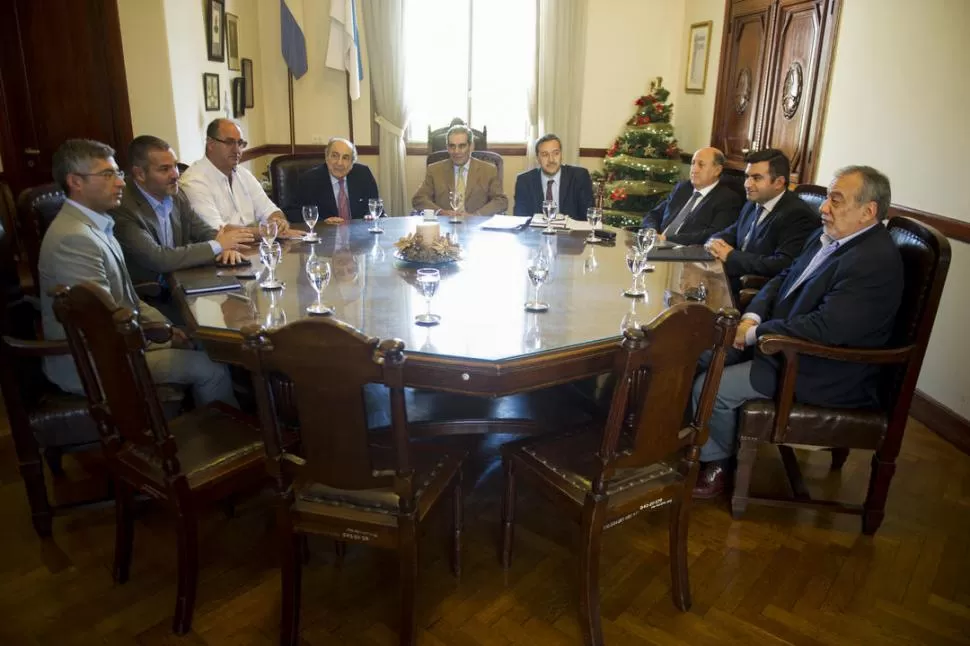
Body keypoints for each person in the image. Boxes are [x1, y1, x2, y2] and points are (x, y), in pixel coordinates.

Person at [691, 166, 904, 498]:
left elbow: (826, 327)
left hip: (816, 368)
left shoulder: (872, 260)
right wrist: (752, 316)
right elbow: (781, 279)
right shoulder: (832, 238)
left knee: (711, 387)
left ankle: (718, 465)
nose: (823, 207)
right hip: (780, 344)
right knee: (698, 353)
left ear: (868, 211)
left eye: (835, 199)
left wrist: (754, 334)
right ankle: (684, 435)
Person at [39, 139, 238, 407]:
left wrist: (167, 329)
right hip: (94, 365)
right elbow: (100, 327)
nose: (121, 182)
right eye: (108, 175)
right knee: (211, 367)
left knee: (204, 341)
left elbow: (126, 297)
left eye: (118, 173)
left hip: (120, 341)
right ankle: (219, 443)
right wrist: (158, 335)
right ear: (75, 182)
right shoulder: (74, 239)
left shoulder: (94, 224)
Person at [111, 135, 253, 287]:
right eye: (165, 169)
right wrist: (218, 246)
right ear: (140, 174)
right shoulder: (123, 206)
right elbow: (158, 258)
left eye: (175, 165)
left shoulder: (176, 194)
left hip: (183, 281)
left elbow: (201, 230)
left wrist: (225, 248)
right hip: (150, 296)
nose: (175, 175)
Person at [705, 148, 817, 293]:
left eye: (756, 178)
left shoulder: (796, 214)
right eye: (747, 177)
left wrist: (731, 256)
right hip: (727, 277)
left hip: (753, 290)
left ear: (778, 182)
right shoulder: (753, 202)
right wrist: (714, 241)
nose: (747, 184)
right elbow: (735, 230)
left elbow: (782, 264)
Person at [180, 118, 291, 234]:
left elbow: (270, 210)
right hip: (223, 250)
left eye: (240, 143)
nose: (237, 150)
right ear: (211, 144)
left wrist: (278, 222)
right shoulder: (194, 181)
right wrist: (268, 231)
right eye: (229, 142)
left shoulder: (243, 174)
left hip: (257, 245)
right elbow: (217, 231)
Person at [641, 147, 743, 245]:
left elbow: (712, 234)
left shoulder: (727, 199)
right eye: (693, 163)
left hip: (685, 252)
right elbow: (654, 214)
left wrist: (667, 239)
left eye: (701, 165)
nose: (694, 169)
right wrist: (652, 232)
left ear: (717, 170)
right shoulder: (683, 188)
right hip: (656, 244)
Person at [412, 124, 507, 217]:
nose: (456, 151)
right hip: (444, 227)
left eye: (462, 146)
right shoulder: (434, 170)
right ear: (447, 147)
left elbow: (501, 201)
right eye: (452, 146)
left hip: (476, 227)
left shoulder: (489, 170)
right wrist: (441, 212)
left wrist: (476, 216)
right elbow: (419, 199)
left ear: (471, 146)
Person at [293, 137, 379, 224]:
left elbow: (375, 205)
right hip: (325, 234)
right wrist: (322, 222)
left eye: (345, 158)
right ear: (327, 157)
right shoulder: (310, 179)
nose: (339, 163)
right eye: (335, 156)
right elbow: (294, 212)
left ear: (352, 163)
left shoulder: (363, 174)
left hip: (359, 233)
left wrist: (369, 216)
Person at [513, 134, 593, 220]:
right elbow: (521, 219)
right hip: (537, 232)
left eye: (556, 153)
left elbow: (587, 217)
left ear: (561, 155)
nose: (551, 160)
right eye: (545, 154)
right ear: (537, 158)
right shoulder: (524, 181)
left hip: (570, 232)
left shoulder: (579, 176)